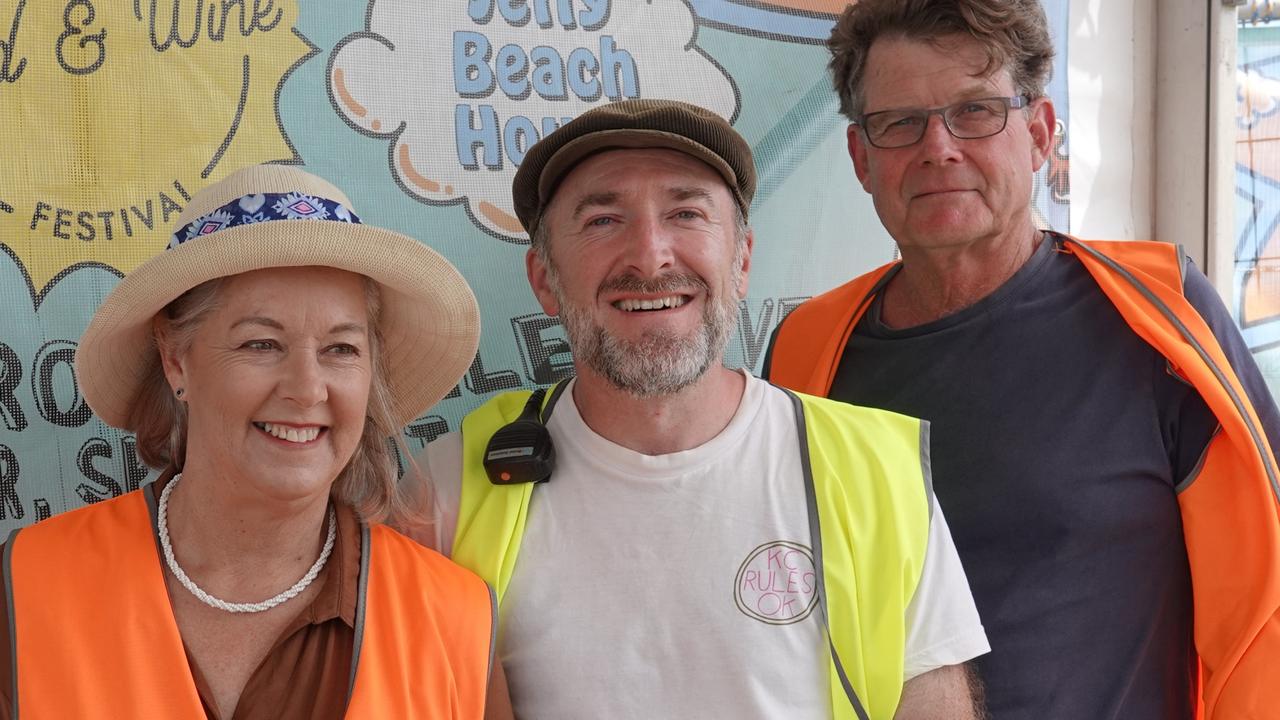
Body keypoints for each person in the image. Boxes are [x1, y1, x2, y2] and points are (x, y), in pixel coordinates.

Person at [762, 2, 1280, 719]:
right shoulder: (807, 349)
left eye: (975, 111)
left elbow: (1268, 603)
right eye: (901, 122)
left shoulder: (1160, 319)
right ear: (861, 158)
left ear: (1039, 134)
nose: (938, 148)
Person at [414, 99, 990, 720]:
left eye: (686, 213)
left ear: (741, 262)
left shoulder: (878, 472)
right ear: (546, 280)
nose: (651, 255)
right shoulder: (447, 488)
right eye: (604, 220)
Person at [0, 165, 510, 719]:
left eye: (341, 349)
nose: (307, 389)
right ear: (176, 360)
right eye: (261, 344)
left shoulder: (457, 621)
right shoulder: (27, 585)